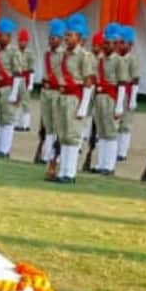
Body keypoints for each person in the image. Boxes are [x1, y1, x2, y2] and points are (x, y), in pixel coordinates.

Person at [50, 14, 96, 183]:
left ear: (79, 37)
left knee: (72, 135)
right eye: (66, 35)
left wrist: (83, 106)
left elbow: (88, 82)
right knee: (62, 134)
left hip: (75, 98)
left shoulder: (85, 56)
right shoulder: (62, 54)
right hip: (63, 97)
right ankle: (62, 170)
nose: (66, 38)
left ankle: (70, 172)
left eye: (70, 35)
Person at [0, 19, 21, 157]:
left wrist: (14, 93)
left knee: (8, 119)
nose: (0, 38)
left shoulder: (14, 52)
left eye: (3, 35)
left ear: (9, 37)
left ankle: (5, 149)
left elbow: (17, 73)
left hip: (8, 87)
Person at [89, 27, 121, 174]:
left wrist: (119, 105)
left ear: (115, 44)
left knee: (110, 132)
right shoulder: (100, 60)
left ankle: (109, 165)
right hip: (99, 97)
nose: (106, 46)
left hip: (111, 98)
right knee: (101, 132)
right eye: (105, 43)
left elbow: (122, 85)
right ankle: (101, 163)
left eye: (110, 43)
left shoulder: (119, 61)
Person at [37, 18, 66, 165]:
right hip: (46, 91)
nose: (50, 41)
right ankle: (45, 153)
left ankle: (54, 154)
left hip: (57, 92)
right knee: (47, 124)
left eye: (53, 38)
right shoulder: (46, 54)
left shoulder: (64, 55)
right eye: (50, 38)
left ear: (60, 39)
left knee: (56, 123)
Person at [115, 26, 140, 163]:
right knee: (115, 121)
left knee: (126, 122)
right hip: (117, 91)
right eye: (119, 42)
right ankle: (114, 148)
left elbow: (135, 79)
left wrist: (133, 99)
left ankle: (122, 151)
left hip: (128, 92)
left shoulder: (132, 59)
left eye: (123, 43)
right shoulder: (116, 58)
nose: (120, 45)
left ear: (130, 45)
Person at [14, 27, 36, 131]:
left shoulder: (30, 53)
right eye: (20, 41)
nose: (22, 43)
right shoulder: (14, 52)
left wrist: (31, 83)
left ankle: (25, 124)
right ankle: (16, 122)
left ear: (27, 42)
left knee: (25, 102)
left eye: (24, 41)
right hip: (16, 78)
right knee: (15, 101)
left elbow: (31, 69)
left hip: (25, 78)